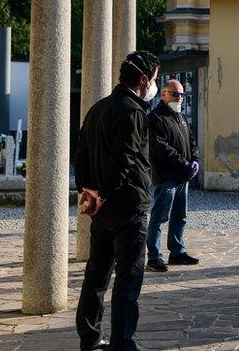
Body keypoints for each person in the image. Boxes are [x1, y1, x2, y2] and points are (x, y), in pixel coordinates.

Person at [74, 51, 160, 351]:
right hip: (128, 206)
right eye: (153, 79)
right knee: (128, 278)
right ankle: (123, 343)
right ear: (141, 79)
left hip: (100, 208)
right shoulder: (134, 113)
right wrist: (105, 192)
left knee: (96, 275)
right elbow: (123, 161)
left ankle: (90, 337)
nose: (154, 86)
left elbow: (81, 155)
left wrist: (89, 191)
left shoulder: (97, 109)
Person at [146, 79, 200, 273]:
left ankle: (177, 252)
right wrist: (184, 163)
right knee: (159, 217)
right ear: (163, 94)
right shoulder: (155, 118)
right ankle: (154, 257)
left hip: (182, 177)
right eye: (175, 94)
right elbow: (161, 147)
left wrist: (195, 160)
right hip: (166, 176)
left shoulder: (181, 118)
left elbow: (191, 142)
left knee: (180, 216)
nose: (179, 98)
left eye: (182, 95)